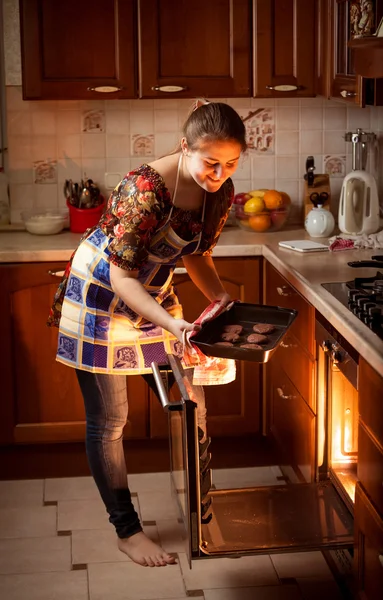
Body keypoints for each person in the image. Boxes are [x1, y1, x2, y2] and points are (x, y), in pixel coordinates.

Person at [48, 100, 247, 567]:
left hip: (152, 294)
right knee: (110, 420)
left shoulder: (219, 191)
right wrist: (174, 324)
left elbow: (197, 255)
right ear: (184, 148)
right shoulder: (144, 188)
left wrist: (219, 300)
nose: (219, 174)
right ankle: (127, 530)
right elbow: (121, 278)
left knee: (188, 401)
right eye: (210, 163)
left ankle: (201, 511)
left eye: (231, 164)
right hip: (100, 297)